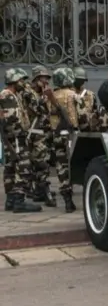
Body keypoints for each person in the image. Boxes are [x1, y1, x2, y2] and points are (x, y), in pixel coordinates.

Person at [0, 68, 43, 213]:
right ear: (13, 80)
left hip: (12, 138)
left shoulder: (12, 95)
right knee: (24, 167)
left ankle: (11, 200)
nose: (23, 83)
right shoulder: (8, 96)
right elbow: (11, 119)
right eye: (21, 80)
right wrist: (22, 135)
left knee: (11, 168)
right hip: (16, 138)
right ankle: (18, 200)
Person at [23, 66, 56, 207]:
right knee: (41, 164)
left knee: (39, 163)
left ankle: (39, 191)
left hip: (42, 133)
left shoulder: (41, 93)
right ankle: (45, 193)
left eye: (47, 79)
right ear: (36, 79)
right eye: (43, 79)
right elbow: (37, 109)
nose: (46, 81)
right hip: (34, 133)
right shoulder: (28, 93)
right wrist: (45, 97)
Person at [48, 68, 80, 213]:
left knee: (61, 166)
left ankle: (67, 199)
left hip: (57, 134)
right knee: (73, 164)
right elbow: (83, 115)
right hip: (72, 135)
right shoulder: (73, 95)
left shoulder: (51, 96)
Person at [73, 67, 99, 132]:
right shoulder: (69, 93)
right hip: (72, 127)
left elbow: (95, 112)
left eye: (81, 80)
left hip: (86, 129)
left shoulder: (90, 95)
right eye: (78, 80)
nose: (80, 82)